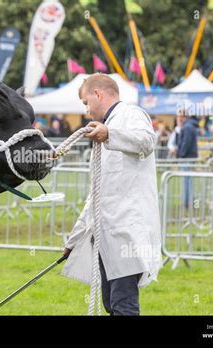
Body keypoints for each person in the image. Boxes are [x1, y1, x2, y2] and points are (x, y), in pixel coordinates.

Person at [61, 74, 162, 316]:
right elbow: (96, 196)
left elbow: (146, 142)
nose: (86, 111)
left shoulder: (132, 114)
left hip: (127, 231)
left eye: (86, 103)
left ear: (98, 94)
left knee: (123, 306)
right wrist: (73, 241)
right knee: (111, 304)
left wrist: (110, 134)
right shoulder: (102, 130)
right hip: (107, 234)